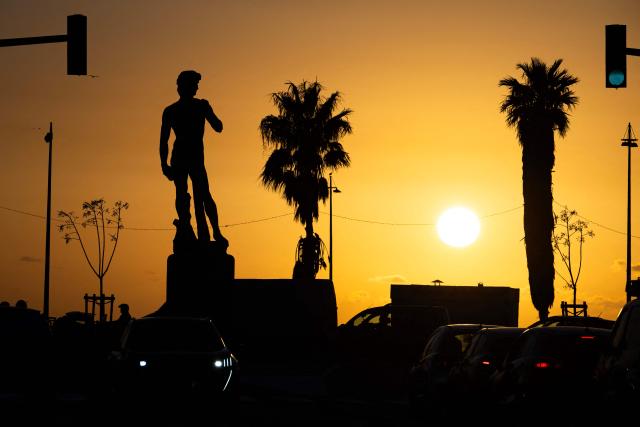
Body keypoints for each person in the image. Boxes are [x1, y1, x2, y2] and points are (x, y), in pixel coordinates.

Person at [159, 70, 228, 246]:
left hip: (192, 157)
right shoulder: (173, 110)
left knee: (202, 195)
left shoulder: (198, 106)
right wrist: (164, 165)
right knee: (185, 194)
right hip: (184, 156)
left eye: (197, 85)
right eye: (194, 84)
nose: (197, 88)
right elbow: (164, 140)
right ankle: (187, 229)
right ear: (184, 87)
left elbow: (218, 126)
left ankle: (214, 232)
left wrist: (208, 111)